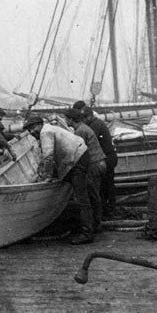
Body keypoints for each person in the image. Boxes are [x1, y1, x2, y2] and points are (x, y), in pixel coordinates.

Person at [23, 114, 96, 245]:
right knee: (82, 193)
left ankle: (87, 233)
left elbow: (48, 156)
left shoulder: (46, 132)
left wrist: (48, 177)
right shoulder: (50, 129)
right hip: (78, 155)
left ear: (40, 124)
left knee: (81, 197)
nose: (31, 132)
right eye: (29, 130)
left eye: (33, 128)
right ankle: (91, 226)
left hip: (77, 159)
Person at [63, 108, 106, 235]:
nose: (65, 121)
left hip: (93, 164)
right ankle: (97, 224)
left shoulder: (80, 131)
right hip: (99, 162)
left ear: (71, 119)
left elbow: (77, 151)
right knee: (95, 195)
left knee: (91, 196)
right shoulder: (84, 127)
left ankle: (94, 225)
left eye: (66, 118)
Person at [81, 105, 118, 216]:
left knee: (106, 185)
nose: (83, 121)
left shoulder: (95, 125)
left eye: (84, 118)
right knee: (106, 185)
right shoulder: (96, 123)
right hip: (107, 157)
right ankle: (108, 209)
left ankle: (109, 210)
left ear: (89, 116)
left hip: (107, 158)